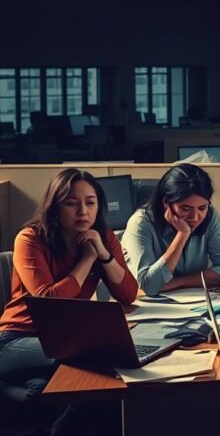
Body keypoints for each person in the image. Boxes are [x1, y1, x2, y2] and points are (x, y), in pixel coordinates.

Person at [0, 169, 138, 405]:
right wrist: (87, 259)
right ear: (55, 207)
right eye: (71, 203)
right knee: (94, 364)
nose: (83, 211)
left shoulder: (102, 237)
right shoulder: (30, 239)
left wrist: (103, 255)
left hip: (65, 340)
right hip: (15, 340)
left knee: (47, 388)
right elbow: (48, 301)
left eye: (90, 203)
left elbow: (128, 294)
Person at [123, 164, 220, 297]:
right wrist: (182, 235)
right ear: (166, 202)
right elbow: (149, 286)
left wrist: (176, 283)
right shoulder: (141, 222)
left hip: (194, 300)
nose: (195, 217)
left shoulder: (211, 216)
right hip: (147, 305)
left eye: (202, 208)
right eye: (186, 209)